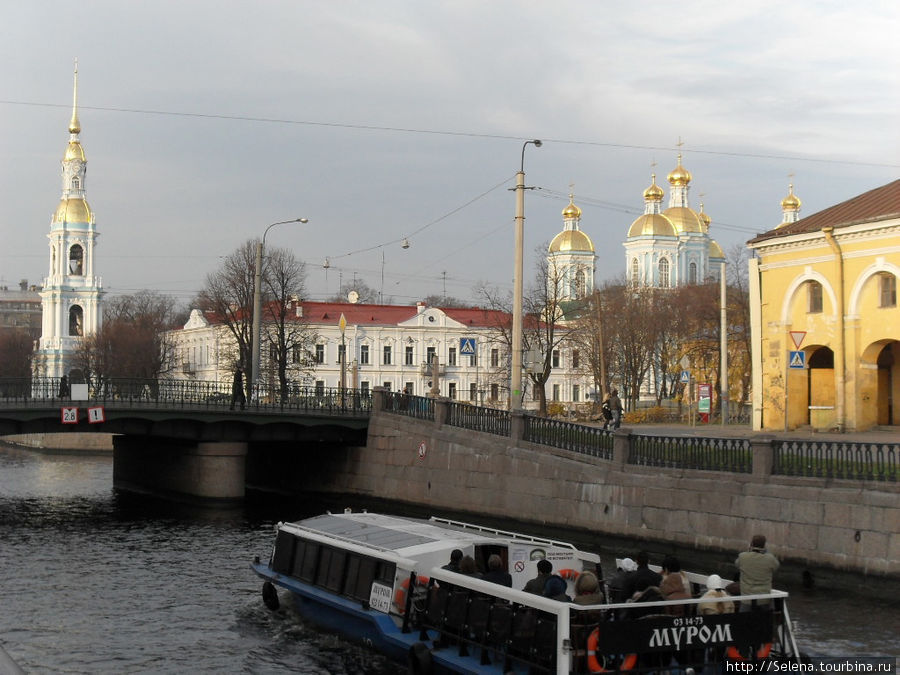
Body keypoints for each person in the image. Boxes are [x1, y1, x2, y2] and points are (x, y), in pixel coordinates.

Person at [735, 535, 779, 610]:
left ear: (751, 544)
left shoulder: (742, 556)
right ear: (764, 545)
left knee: (744, 620)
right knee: (764, 620)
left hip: (747, 599)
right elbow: (776, 566)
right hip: (764, 599)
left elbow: (737, 564)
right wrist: (766, 552)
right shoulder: (770, 558)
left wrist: (749, 551)